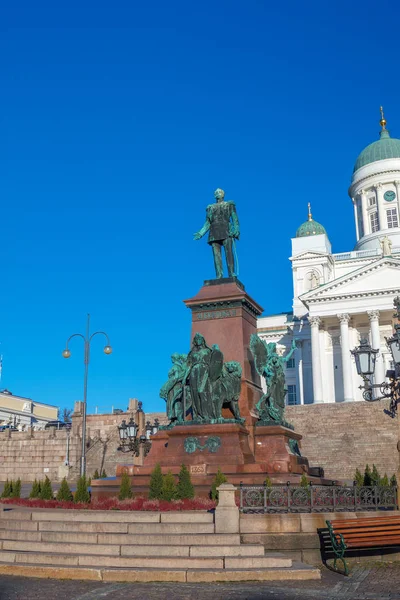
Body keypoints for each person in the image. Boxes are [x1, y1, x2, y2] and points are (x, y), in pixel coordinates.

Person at [194, 188, 240, 278]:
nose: (218, 194)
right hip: (214, 231)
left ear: (223, 194)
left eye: (219, 192)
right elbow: (208, 222)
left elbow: (235, 219)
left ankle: (231, 273)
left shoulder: (229, 205)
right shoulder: (210, 207)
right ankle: (219, 275)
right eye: (216, 193)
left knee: (229, 253)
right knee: (216, 255)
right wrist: (201, 233)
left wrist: (236, 229)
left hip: (227, 230)